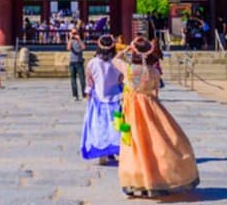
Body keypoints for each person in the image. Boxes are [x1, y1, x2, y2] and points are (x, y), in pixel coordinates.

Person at [112, 37, 200, 197]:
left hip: (132, 109)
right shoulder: (154, 72)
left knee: (136, 144)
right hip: (151, 106)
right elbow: (155, 91)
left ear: (135, 53)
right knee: (156, 142)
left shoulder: (128, 69)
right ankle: (156, 178)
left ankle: (137, 179)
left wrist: (125, 51)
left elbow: (114, 60)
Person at [81, 34, 123, 165]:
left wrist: (88, 96)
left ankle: (102, 151)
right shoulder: (117, 63)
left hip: (98, 99)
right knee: (116, 125)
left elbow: (89, 83)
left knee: (100, 126)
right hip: (116, 98)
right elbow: (121, 80)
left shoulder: (92, 63)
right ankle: (116, 150)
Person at [67, 28, 87, 101]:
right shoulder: (71, 41)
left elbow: (84, 47)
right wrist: (70, 38)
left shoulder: (81, 40)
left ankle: (84, 95)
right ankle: (75, 95)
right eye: (73, 33)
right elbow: (68, 48)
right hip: (72, 62)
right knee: (73, 79)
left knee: (82, 80)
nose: (74, 35)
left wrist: (79, 40)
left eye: (75, 33)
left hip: (79, 62)